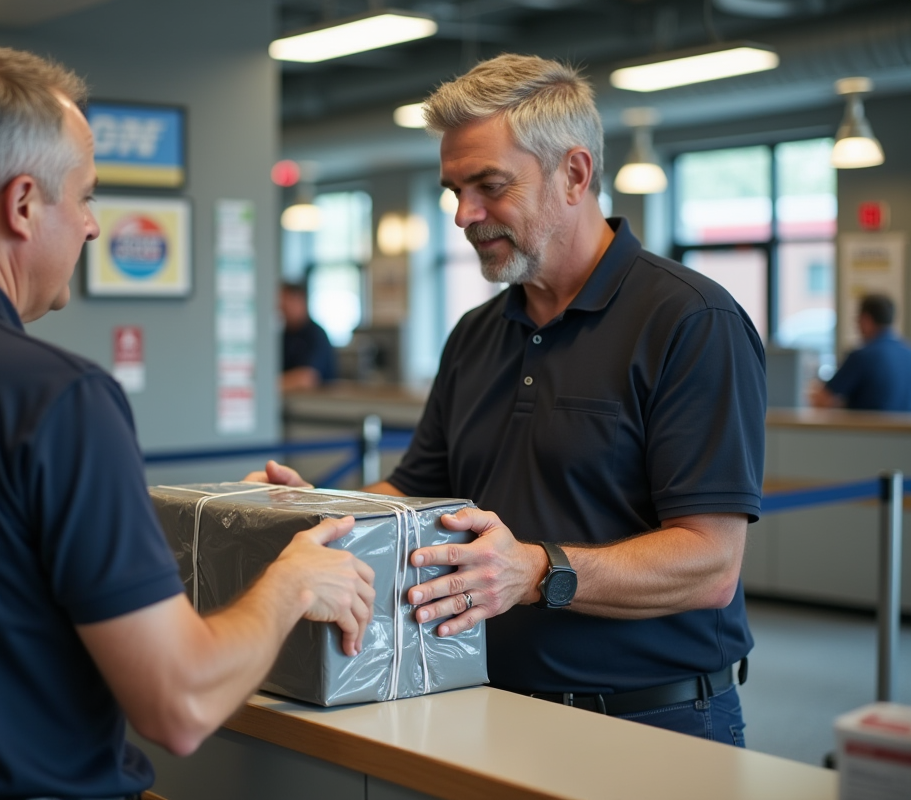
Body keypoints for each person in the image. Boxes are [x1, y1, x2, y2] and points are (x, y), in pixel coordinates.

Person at [0, 43, 374, 800]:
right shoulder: (57, 399)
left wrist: (199, 527)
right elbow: (179, 706)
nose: (91, 228)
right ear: (21, 205)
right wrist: (292, 581)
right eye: (84, 197)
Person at [250, 53, 765, 746]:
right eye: (455, 189)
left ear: (575, 174)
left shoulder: (691, 321)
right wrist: (318, 515)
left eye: (489, 186)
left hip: (653, 719)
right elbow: (415, 489)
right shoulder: (476, 333)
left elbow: (710, 565)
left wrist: (537, 570)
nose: (465, 214)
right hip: (485, 700)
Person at [811, 293, 911, 411]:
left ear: (866, 320)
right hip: (903, 429)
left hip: (866, 428)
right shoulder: (907, 353)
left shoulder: (862, 356)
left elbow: (823, 399)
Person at [281, 280, 337, 390]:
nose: (281, 308)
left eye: (285, 302)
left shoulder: (315, 334)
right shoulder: (284, 334)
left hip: (316, 404)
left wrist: (267, 384)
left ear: (299, 300)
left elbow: (307, 378)